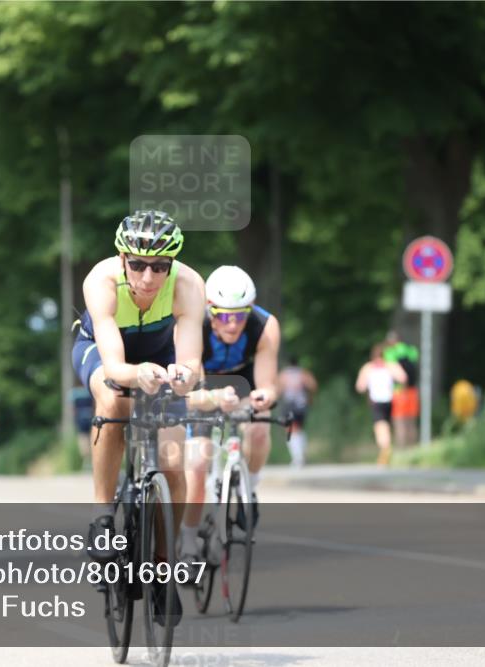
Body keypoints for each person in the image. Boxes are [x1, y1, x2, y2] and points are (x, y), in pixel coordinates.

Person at [71, 210, 204, 626]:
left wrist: (184, 375)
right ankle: (101, 518)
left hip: (160, 355)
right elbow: (114, 366)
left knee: (173, 460)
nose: (148, 277)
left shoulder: (189, 285)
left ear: (172, 265)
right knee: (112, 401)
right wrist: (136, 375)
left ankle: (163, 568)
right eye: (139, 264)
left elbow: (192, 361)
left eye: (160, 266)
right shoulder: (101, 280)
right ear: (122, 259)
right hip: (103, 353)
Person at [180, 265, 280, 578]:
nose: (233, 324)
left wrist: (264, 397)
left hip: (243, 383)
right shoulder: (192, 325)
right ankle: (188, 542)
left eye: (240, 315)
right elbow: (187, 395)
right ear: (210, 309)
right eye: (224, 316)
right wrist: (213, 398)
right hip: (203, 388)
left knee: (259, 427)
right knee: (197, 463)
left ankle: (250, 488)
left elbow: (267, 384)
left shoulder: (265, 326)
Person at [356, 344, 407, 466]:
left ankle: (385, 448)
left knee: (380, 426)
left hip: (376, 401)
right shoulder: (390, 366)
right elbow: (403, 378)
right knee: (389, 425)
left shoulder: (368, 368)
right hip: (390, 399)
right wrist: (397, 388)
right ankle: (393, 448)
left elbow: (360, 387)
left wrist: (368, 388)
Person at [277, 357, 318, 467]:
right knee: (299, 429)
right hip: (302, 404)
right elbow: (313, 386)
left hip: (290, 404)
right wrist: (309, 397)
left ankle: (298, 457)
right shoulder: (303, 373)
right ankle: (302, 455)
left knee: (291, 429)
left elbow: (278, 390)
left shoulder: (284, 374)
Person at [384, 330, 420, 446]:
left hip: (399, 391)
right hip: (412, 390)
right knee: (411, 420)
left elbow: (391, 370)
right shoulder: (410, 350)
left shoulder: (390, 352)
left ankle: (402, 446)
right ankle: (412, 446)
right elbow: (415, 359)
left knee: (399, 420)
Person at [70, 386, 95, 469]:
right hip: (91, 420)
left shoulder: (74, 394)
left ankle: (87, 461)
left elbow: (74, 410)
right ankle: (91, 460)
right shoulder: (90, 391)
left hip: (81, 421)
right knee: (92, 440)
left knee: (84, 441)